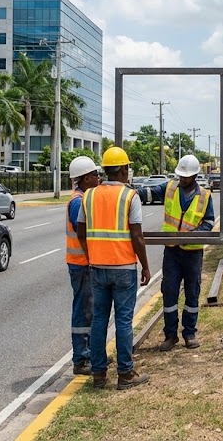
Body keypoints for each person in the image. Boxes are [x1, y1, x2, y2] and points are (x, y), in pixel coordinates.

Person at [77, 146, 152, 390]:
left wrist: (91, 255)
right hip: (123, 268)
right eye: (128, 167)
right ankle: (126, 373)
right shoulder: (130, 196)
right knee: (123, 321)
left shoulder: (88, 196)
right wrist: (145, 266)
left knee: (99, 320)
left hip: (97, 267)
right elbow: (137, 236)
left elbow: (81, 232)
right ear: (121, 170)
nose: (129, 171)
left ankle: (99, 374)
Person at [139, 155, 214, 351]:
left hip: (192, 254)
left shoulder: (205, 196)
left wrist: (190, 236)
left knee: (192, 293)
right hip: (172, 252)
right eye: (180, 175)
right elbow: (149, 193)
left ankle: (190, 333)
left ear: (195, 176)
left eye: (186, 176)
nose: (182, 179)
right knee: (169, 292)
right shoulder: (170, 188)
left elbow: (209, 223)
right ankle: (170, 335)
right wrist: (130, 193)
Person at [66, 155, 103, 376]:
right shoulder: (78, 202)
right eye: (95, 174)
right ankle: (81, 359)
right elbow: (82, 230)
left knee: (89, 311)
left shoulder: (84, 198)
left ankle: (87, 355)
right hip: (81, 263)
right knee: (83, 311)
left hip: (83, 262)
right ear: (85, 178)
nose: (98, 178)